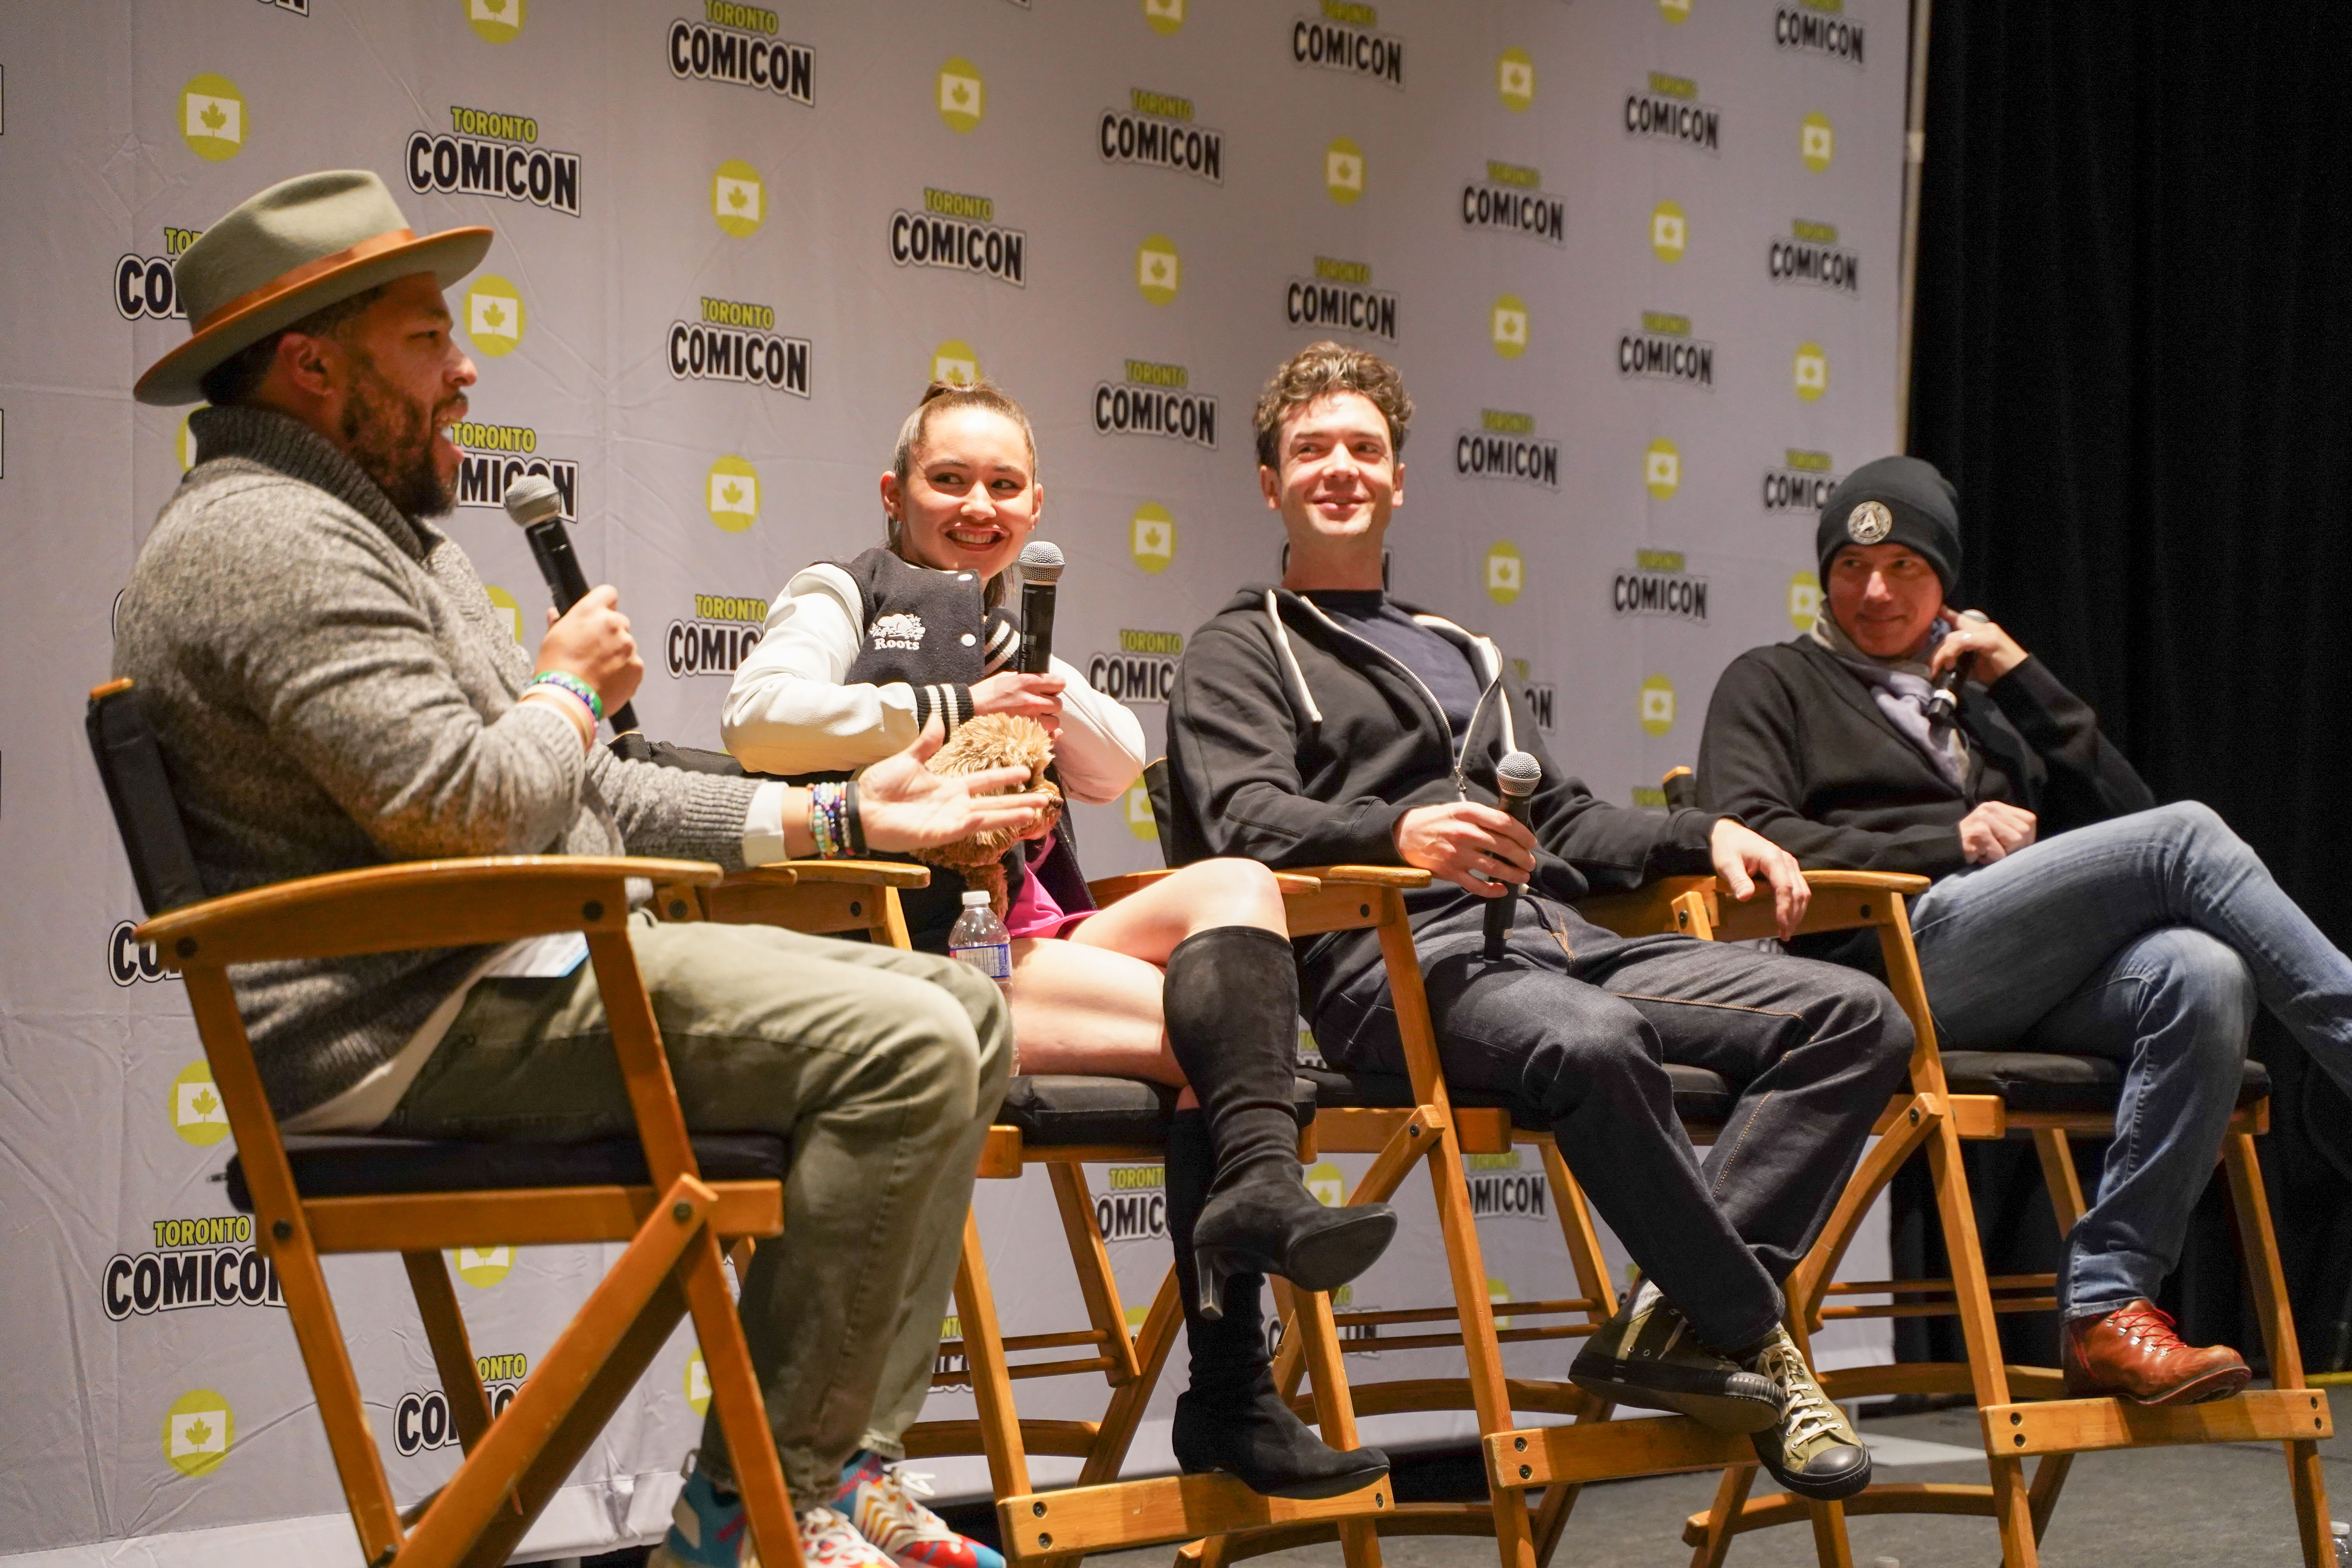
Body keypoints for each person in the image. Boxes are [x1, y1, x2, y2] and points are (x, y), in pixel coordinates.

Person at [116, 171, 1056, 1568]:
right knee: (910, 1042)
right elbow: (468, 806)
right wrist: (561, 690)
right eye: (428, 340)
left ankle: (837, 1468)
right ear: (312, 366)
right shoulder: (265, 543)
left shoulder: (367, 531)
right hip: (399, 1019)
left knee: (965, 1012)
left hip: (500, 968)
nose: (467, 367)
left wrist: (849, 822)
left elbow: (597, 790)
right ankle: (752, 1506)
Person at [1162, 342, 1918, 1504]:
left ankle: (1677, 1316)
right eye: (1312, 451)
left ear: (1400, 478)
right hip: (1400, 968)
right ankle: (1759, 1340)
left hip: (1567, 945)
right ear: (1271, 484)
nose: (1342, 470)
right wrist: (1396, 835)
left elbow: (1561, 814)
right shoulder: (1241, 644)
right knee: (1595, 1045)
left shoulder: (1465, 650)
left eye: (1365, 449)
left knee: (1858, 1019)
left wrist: (1700, 835)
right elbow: (1241, 819)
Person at [720, 378, 1399, 1501]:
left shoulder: (1009, 627)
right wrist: (949, 705)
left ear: (1037, 507)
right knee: (1238, 1054)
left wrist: (1030, 681)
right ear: (897, 493)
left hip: (1034, 942)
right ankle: (1236, 1385)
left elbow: (1115, 762)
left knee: (1231, 883)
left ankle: (1259, 1205)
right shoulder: (842, 590)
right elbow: (759, 722)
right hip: (916, 958)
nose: (978, 505)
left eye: (1004, 486)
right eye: (950, 482)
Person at [1699, 454, 2352, 1405]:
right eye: (1851, 566)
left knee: (2206, 969)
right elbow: (1748, 832)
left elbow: (2135, 819)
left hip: (2016, 979)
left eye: (1905, 568)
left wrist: (2028, 683)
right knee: (2190, 839)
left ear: (1946, 581)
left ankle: (2108, 1308)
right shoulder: (1773, 680)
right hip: (1881, 964)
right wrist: (1944, 836)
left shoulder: (1986, 709)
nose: (1874, 590)